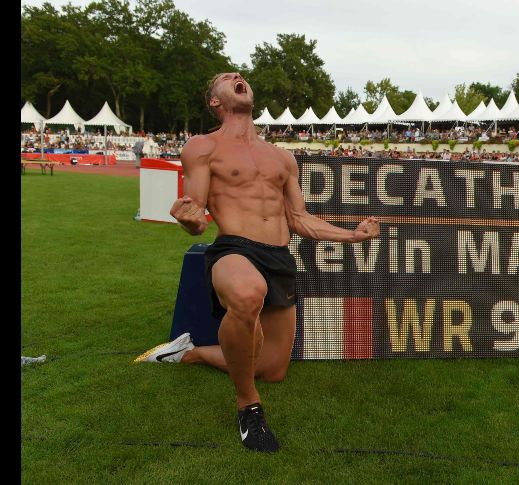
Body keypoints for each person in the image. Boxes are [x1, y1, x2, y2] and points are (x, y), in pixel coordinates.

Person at [133, 72, 381, 452]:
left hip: (278, 255)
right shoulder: (203, 146)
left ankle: (189, 351)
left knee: (272, 369)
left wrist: (352, 235)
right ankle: (248, 407)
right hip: (234, 248)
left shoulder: (281, 157)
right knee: (250, 294)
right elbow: (197, 214)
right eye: (225, 78)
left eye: (241, 76)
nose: (237, 77)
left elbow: (298, 219)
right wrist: (189, 219)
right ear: (214, 101)